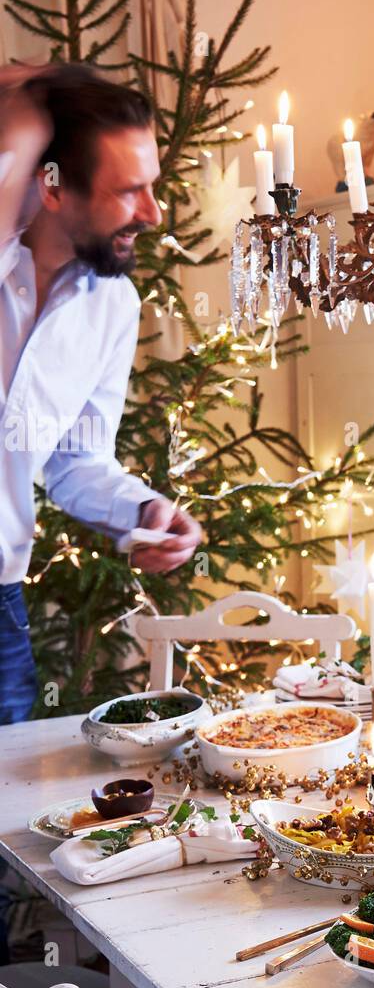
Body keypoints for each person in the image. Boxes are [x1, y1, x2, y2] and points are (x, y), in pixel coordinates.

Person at [0, 63, 202, 723]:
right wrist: (25, 110)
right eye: (130, 191)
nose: (153, 213)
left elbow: (76, 461)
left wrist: (142, 511)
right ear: (53, 187)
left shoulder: (113, 305)